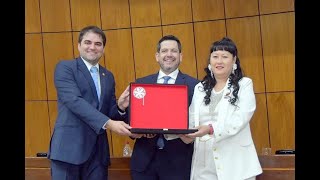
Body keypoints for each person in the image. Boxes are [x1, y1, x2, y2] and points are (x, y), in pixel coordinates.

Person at [47, 25, 132, 180]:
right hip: (68, 151)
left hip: (98, 155)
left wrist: (120, 106)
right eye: (87, 42)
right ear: (79, 46)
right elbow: (74, 101)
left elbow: (107, 112)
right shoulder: (66, 68)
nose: (92, 47)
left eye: (98, 44)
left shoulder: (108, 76)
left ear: (103, 49)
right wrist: (109, 123)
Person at [183, 37, 263, 180]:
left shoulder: (244, 84)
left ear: (234, 61)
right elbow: (191, 119)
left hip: (235, 164)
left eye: (225, 56)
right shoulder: (200, 88)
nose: (219, 61)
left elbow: (240, 119)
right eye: (215, 56)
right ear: (210, 61)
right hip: (203, 162)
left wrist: (210, 128)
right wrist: (182, 133)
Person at [129, 35, 199, 180]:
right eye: (164, 51)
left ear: (181, 56)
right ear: (157, 56)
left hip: (179, 163)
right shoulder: (141, 84)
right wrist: (138, 130)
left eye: (173, 51)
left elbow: (198, 121)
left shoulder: (196, 86)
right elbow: (131, 121)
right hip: (144, 163)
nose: (169, 55)